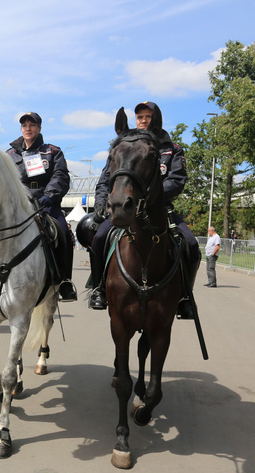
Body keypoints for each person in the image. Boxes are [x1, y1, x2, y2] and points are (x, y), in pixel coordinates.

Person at [88, 101, 200, 317]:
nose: (143, 120)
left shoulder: (172, 149)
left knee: (191, 245)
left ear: (155, 120)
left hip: (160, 209)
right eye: (140, 116)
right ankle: (99, 288)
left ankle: (185, 296)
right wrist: (101, 204)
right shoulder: (123, 147)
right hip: (126, 208)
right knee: (100, 237)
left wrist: (150, 198)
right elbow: (105, 181)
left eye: (148, 116)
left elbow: (177, 180)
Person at [6, 112, 78, 302]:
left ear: (39, 128)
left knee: (63, 233)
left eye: (32, 125)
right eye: (24, 125)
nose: (28, 128)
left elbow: (61, 176)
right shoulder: (10, 154)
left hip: (45, 204)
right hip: (18, 205)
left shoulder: (53, 151)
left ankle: (64, 282)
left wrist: (48, 196)